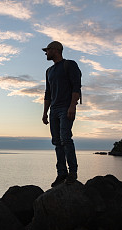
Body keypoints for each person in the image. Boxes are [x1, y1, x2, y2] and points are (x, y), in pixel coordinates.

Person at [41, 41, 82, 187]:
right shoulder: (49, 71)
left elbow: (76, 86)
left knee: (65, 138)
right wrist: (45, 113)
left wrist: (72, 106)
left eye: (48, 50)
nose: (46, 53)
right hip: (54, 110)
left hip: (66, 108)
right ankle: (61, 173)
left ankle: (73, 172)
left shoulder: (70, 65)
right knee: (57, 142)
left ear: (56, 50)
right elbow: (48, 93)